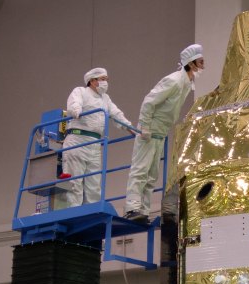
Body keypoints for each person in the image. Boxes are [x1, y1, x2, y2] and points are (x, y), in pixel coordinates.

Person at [123, 44, 204, 223]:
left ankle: (142, 211)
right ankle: (132, 208)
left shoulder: (186, 83)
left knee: (152, 174)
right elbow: (149, 102)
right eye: (200, 61)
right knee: (140, 170)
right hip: (150, 130)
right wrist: (144, 126)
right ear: (190, 64)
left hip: (160, 133)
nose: (203, 65)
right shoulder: (174, 81)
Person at [64, 68, 134, 208]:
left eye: (106, 79)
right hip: (77, 140)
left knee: (94, 185)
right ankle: (73, 213)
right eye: (103, 79)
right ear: (92, 81)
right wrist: (76, 111)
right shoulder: (81, 92)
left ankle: (92, 211)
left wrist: (131, 129)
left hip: (95, 144)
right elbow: (74, 104)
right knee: (74, 183)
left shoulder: (105, 99)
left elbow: (116, 114)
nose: (105, 82)